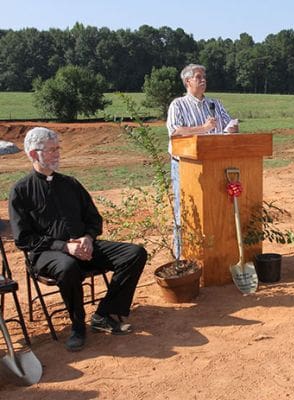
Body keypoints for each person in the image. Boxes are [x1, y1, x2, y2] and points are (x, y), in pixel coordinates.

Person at [9, 127, 147, 352]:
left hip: (84, 247)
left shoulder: (71, 184)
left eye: (58, 149)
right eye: (52, 150)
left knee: (134, 253)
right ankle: (77, 325)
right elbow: (24, 239)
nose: (57, 154)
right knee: (68, 266)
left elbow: (94, 218)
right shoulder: (21, 191)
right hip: (47, 255)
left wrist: (88, 238)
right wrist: (65, 247)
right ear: (34, 154)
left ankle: (104, 314)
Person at [166, 64, 239, 258]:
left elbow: (227, 125)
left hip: (215, 165)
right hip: (186, 166)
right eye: (198, 77)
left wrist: (232, 128)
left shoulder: (215, 104)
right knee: (186, 209)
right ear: (188, 81)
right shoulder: (178, 105)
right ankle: (181, 256)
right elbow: (175, 131)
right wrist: (203, 128)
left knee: (214, 207)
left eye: (204, 76)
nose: (203, 80)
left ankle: (213, 253)